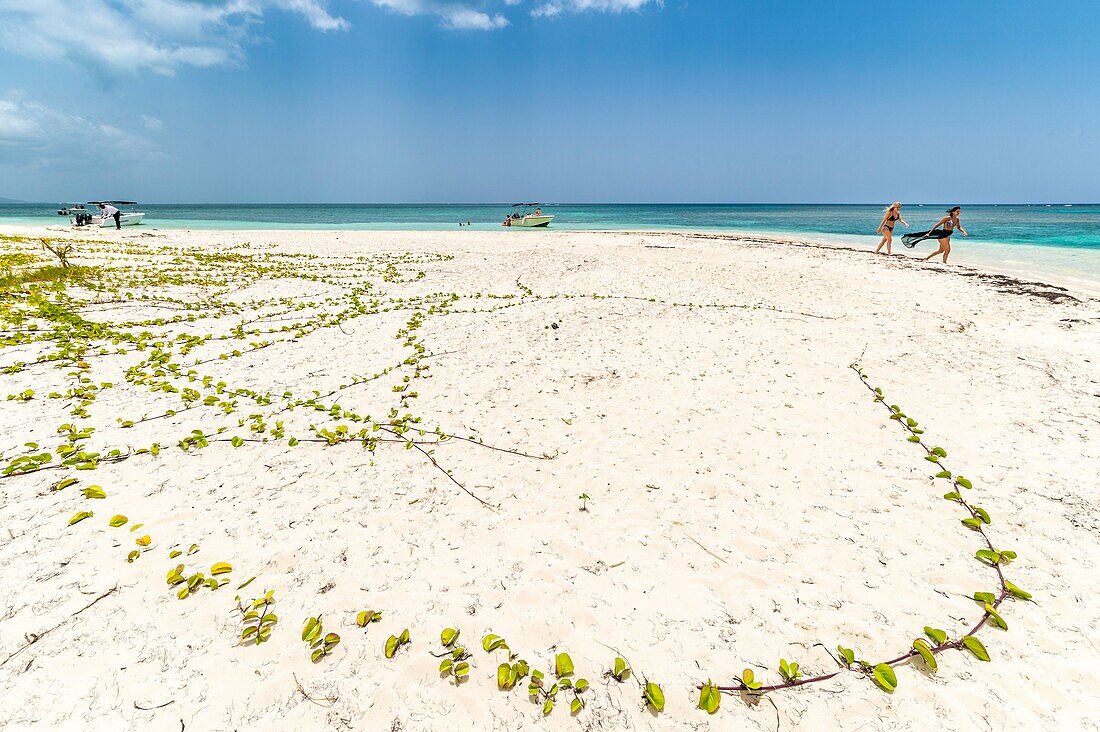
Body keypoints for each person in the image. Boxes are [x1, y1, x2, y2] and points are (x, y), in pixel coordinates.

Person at [903, 206, 968, 263]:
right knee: (948, 250)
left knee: (941, 250)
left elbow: (959, 227)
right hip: (942, 235)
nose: (958, 212)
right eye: (957, 211)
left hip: (948, 235)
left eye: (959, 211)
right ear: (953, 212)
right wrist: (929, 233)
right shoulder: (947, 218)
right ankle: (944, 263)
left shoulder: (957, 220)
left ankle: (927, 258)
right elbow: (937, 225)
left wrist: (964, 231)